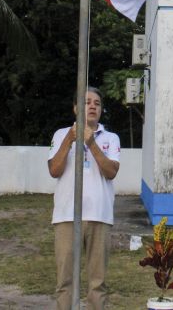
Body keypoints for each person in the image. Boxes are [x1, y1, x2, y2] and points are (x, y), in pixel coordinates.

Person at [48, 87, 120, 310]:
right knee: (64, 281)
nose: (92, 106)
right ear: (76, 108)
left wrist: (91, 143)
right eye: (87, 102)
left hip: (99, 215)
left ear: (101, 110)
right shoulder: (61, 134)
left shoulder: (111, 138)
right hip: (66, 216)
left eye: (97, 103)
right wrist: (71, 139)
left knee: (97, 282)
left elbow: (111, 171)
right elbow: (54, 170)